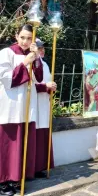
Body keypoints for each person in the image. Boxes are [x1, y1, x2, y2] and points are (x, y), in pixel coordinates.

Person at [0, 25, 43, 195]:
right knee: (8, 145)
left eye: (29, 38)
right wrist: (26, 62)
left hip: (27, 106)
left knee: (23, 145)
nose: (25, 42)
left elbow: (38, 77)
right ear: (16, 36)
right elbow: (6, 78)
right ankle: (3, 182)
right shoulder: (6, 53)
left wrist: (36, 58)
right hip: (10, 105)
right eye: (23, 37)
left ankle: (18, 178)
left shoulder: (32, 54)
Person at [34, 39, 56, 178]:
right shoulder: (30, 62)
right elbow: (28, 85)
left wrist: (51, 87)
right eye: (39, 48)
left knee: (42, 135)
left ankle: (40, 166)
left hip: (43, 103)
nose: (42, 50)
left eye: (43, 48)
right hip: (33, 104)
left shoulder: (45, 64)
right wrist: (45, 86)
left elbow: (46, 82)